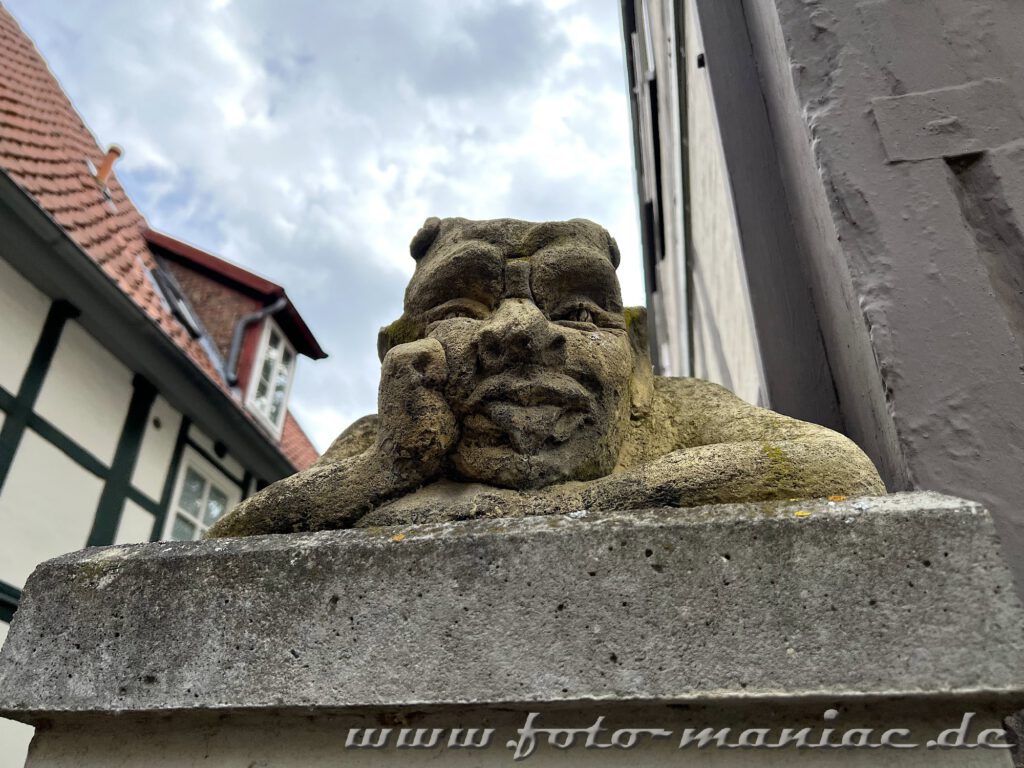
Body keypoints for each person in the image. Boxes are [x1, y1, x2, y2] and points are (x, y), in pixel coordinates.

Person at [207, 217, 883, 536]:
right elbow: (230, 545)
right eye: (463, 308)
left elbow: (836, 469)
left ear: (639, 363)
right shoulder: (390, 442)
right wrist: (388, 467)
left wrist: (562, 509)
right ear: (400, 355)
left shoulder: (675, 414)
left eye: (582, 311)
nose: (522, 330)